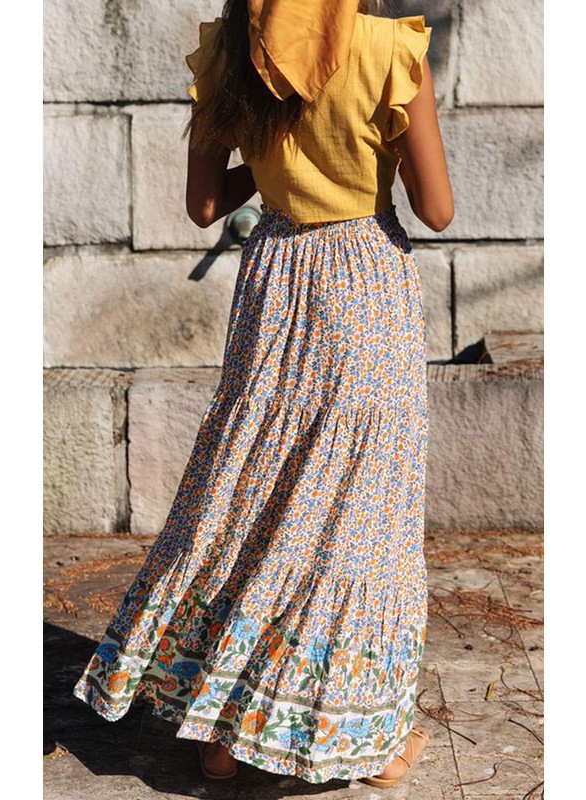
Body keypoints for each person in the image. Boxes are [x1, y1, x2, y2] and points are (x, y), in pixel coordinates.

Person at [73, 0, 454, 787]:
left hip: (275, 283)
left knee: (252, 491)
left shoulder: (229, 54)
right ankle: (369, 743)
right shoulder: (389, 51)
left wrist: (274, 153)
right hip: (366, 288)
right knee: (355, 515)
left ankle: (222, 731)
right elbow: (437, 209)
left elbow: (206, 206)